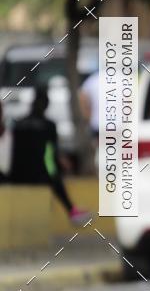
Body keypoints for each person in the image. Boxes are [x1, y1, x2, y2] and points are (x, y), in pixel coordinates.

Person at [9, 87, 92, 225]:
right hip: (38, 176)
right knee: (53, 175)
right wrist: (57, 172)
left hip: (15, 175)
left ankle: (71, 210)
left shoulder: (19, 124)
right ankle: (71, 210)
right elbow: (49, 157)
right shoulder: (48, 126)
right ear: (46, 105)